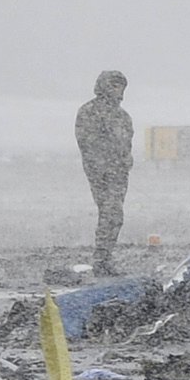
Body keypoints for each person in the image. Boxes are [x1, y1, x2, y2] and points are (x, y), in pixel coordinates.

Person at [74, 70, 132, 274]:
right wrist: (102, 165)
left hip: (119, 174)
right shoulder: (89, 111)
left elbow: (126, 144)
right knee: (110, 213)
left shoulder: (123, 116)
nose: (118, 90)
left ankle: (105, 258)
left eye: (121, 86)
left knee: (115, 216)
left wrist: (125, 162)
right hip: (101, 173)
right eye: (114, 85)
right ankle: (102, 259)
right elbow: (87, 143)